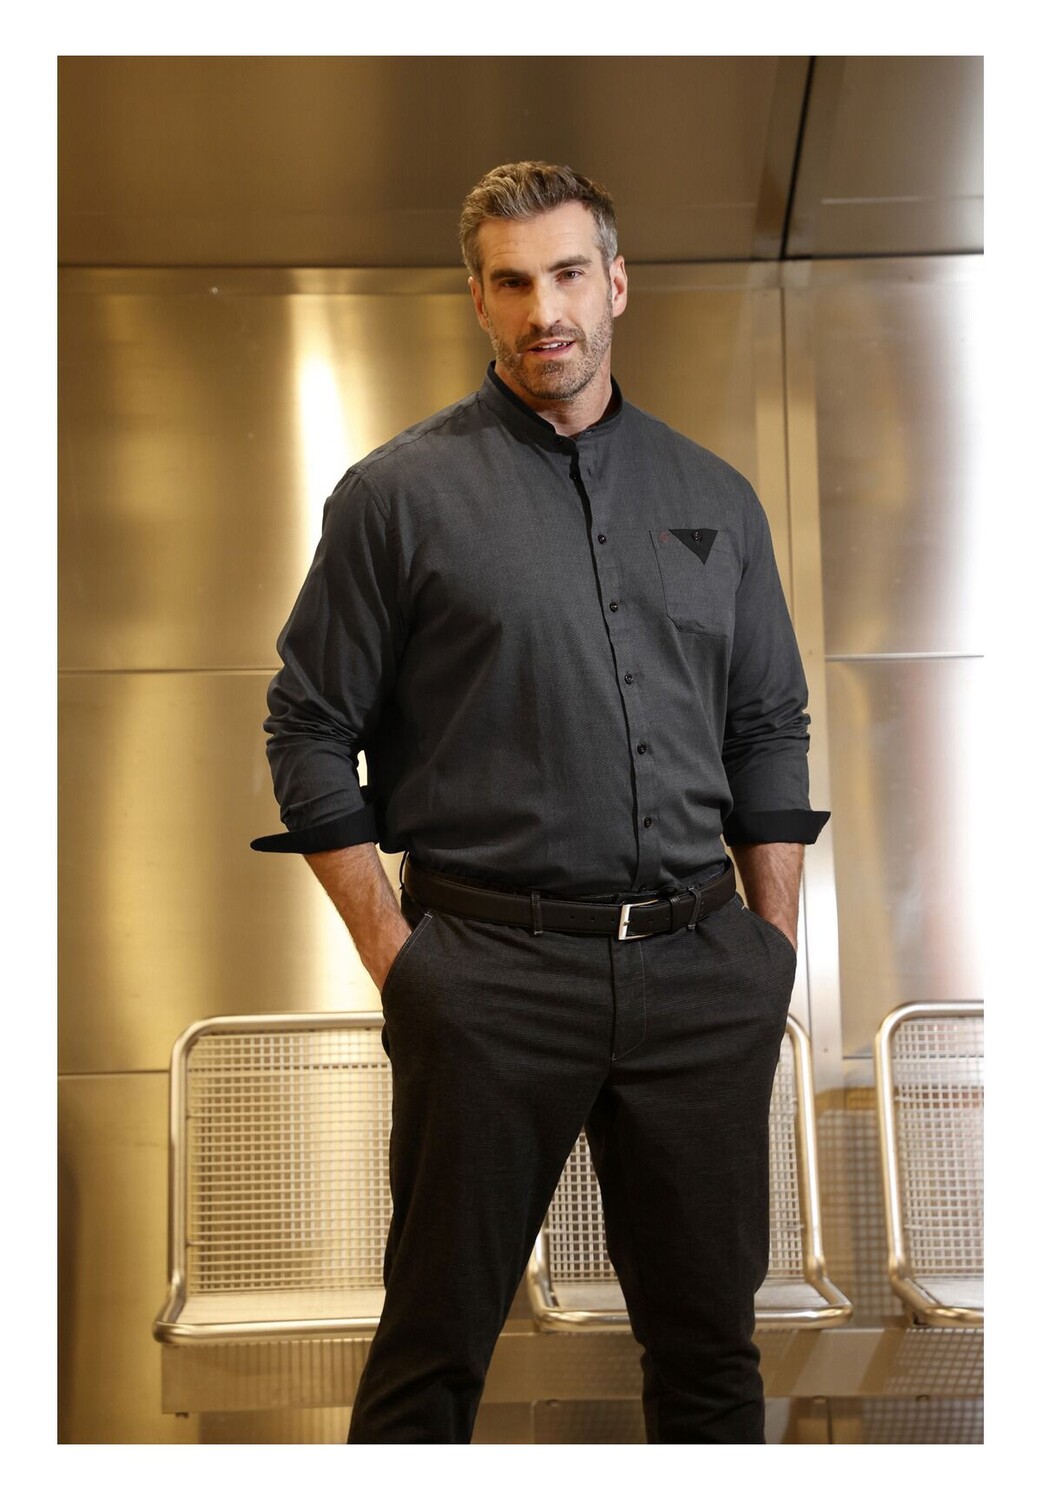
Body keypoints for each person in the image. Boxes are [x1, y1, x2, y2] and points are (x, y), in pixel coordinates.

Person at [252, 161, 829, 1444]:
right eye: (511, 283)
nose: (543, 310)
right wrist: (405, 966)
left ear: (616, 283)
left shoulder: (715, 499)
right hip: (487, 979)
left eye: (568, 274)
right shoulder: (396, 498)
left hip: (699, 978)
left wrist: (769, 953)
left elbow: (765, 730)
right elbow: (307, 732)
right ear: (478, 300)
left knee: (710, 1356)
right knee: (430, 1353)